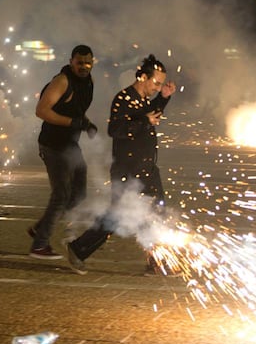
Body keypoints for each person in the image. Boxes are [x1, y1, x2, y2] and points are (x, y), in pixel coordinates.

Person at [66, 54, 176, 275]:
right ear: (143, 77)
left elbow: (150, 113)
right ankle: (78, 248)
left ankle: (156, 261)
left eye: (161, 84)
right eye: (156, 83)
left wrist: (163, 98)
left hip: (146, 169)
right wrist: (145, 120)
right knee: (118, 216)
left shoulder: (143, 99)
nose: (157, 87)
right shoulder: (124, 99)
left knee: (156, 213)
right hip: (128, 171)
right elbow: (115, 129)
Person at [27, 44, 97, 260]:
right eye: (79, 62)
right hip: (53, 145)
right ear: (71, 61)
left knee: (80, 193)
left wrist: (86, 123)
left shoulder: (88, 82)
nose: (84, 67)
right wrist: (72, 122)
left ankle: (41, 228)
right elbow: (41, 111)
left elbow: (77, 109)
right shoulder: (62, 81)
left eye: (88, 63)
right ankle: (39, 245)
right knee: (61, 195)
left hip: (70, 145)